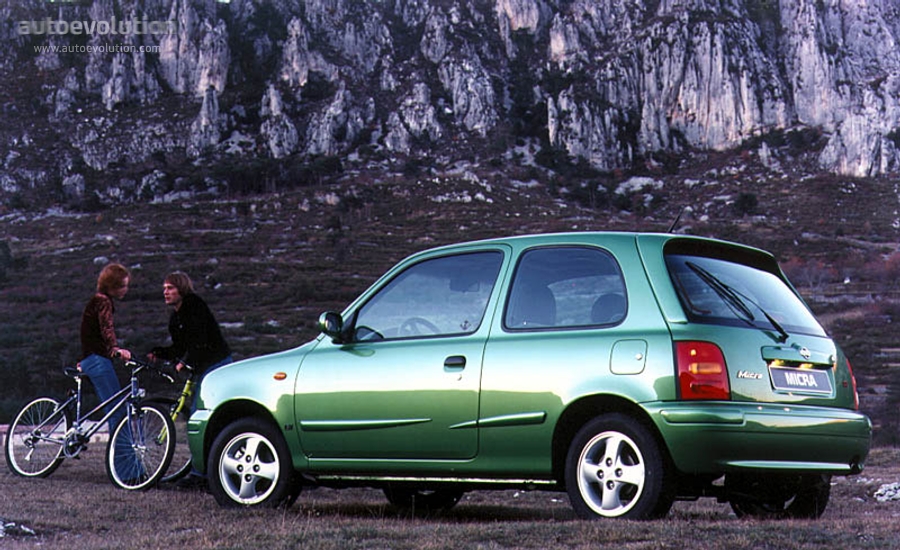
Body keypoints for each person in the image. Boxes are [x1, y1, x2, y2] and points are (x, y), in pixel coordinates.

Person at [149, 271, 232, 488]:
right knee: (199, 414)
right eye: (164, 288)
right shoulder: (175, 318)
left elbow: (201, 341)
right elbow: (180, 348)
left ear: (181, 289)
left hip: (215, 363)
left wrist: (186, 363)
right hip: (201, 364)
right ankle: (202, 472)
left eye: (170, 288)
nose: (165, 292)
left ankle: (200, 476)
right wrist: (160, 353)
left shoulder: (194, 306)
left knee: (199, 413)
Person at [78, 262, 136, 479]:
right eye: (122, 286)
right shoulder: (103, 302)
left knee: (115, 410)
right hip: (98, 359)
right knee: (118, 412)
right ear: (111, 286)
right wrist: (115, 349)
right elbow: (106, 328)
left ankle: (127, 467)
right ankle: (127, 472)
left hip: (90, 358)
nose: (125, 290)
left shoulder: (96, 300)